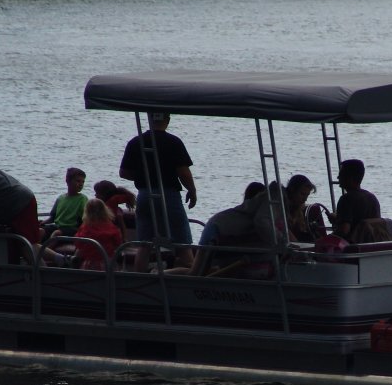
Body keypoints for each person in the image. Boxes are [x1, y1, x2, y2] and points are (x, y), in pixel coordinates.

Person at [118, 113, 197, 271]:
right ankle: (194, 276)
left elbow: (123, 172)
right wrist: (192, 190)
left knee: (144, 244)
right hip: (169, 195)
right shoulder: (174, 142)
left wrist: (142, 175)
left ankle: (138, 279)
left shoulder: (135, 142)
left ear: (149, 120)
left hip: (145, 194)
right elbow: (183, 171)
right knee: (183, 242)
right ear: (167, 120)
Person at [185, 182, 287, 276]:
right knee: (196, 273)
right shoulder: (258, 217)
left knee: (205, 271)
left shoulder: (262, 216)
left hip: (220, 232)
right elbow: (263, 224)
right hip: (215, 230)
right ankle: (169, 276)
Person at [331, 158, 388, 244]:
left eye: (341, 174)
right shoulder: (372, 198)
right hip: (370, 248)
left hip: (352, 249)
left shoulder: (346, 199)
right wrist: (338, 220)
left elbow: (344, 231)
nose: (338, 177)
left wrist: (324, 238)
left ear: (350, 178)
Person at [73, 197, 123, 271]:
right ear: (105, 211)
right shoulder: (111, 227)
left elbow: (77, 243)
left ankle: (71, 265)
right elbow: (118, 243)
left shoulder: (85, 227)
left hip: (89, 263)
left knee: (77, 254)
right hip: (108, 263)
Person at [42, 167, 88, 242]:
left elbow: (85, 219)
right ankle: (35, 250)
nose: (81, 184)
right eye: (78, 181)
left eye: (83, 182)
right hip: (58, 226)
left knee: (57, 233)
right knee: (40, 230)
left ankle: (44, 251)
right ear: (68, 181)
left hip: (72, 228)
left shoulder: (83, 199)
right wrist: (41, 223)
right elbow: (52, 218)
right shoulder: (60, 198)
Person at [282, 174, 323, 243]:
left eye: (307, 195)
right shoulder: (281, 206)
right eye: (302, 194)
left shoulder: (299, 208)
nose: (305, 199)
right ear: (292, 190)